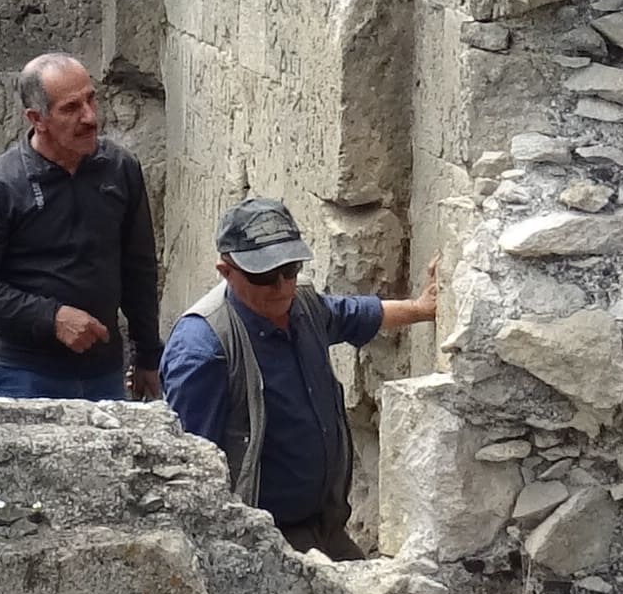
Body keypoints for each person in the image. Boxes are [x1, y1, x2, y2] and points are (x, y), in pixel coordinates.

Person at [160, 197, 442, 557]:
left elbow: (349, 314)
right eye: (264, 275)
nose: (281, 286)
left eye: (290, 269)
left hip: (323, 526)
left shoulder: (303, 305)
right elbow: (192, 472)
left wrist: (421, 308)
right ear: (226, 271)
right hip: (261, 542)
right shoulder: (204, 349)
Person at [0, 52, 161, 401]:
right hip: (22, 371)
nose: (90, 117)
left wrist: (148, 355)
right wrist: (51, 317)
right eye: (71, 108)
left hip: (104, 369)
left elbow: (138, 267)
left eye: (91, 99)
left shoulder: (119, 169)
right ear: (37, 119)